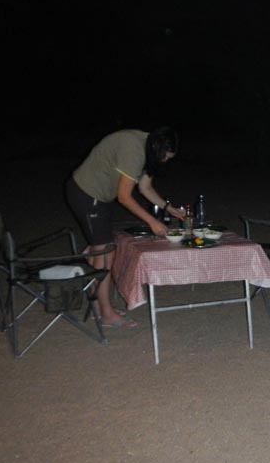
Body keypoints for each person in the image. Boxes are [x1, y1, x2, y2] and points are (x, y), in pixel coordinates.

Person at [65, 127, 185, 328]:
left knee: (100, 251)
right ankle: (107, 314)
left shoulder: (148, 150)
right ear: (158, 148)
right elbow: (124, 196)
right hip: (86, 193)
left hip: (99, 197)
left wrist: (169, 208)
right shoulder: (135, 151)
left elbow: (144, 187)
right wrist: (152, 222)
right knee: (105, 252)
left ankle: (97, 306)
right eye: (165, 156)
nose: (165, 161)